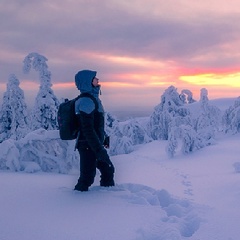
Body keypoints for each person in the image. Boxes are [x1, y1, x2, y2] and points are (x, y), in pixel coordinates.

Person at [74, 70, 115, 191]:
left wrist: (104, 137)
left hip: (93, 143)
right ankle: (77, 202)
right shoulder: (86, 101)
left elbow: (96, 125)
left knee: (108, 170)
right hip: (88, 145)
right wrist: (98, 149)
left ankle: (108, 196)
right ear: (88, 82)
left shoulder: (92, 99)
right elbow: (87, 129)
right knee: (87, 177)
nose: (98, 80)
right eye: (95, 78)